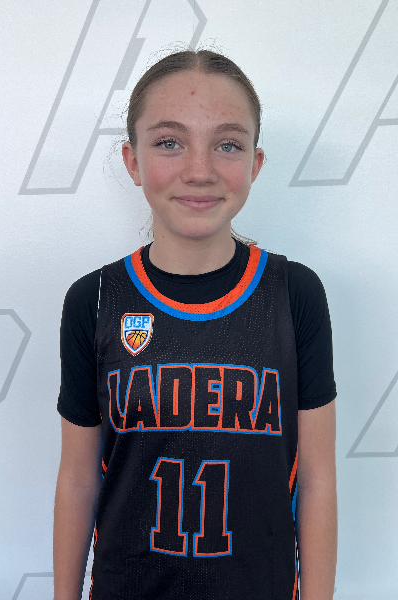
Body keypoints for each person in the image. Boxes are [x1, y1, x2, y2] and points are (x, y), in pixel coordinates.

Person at [54, 49, 337, 600]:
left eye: (227, 144)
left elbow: (317, 479)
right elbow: (79, 478)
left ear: (255, 164)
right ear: (132, 161)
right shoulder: (94, 300)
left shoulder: (295, 295)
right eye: (169, 142)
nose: (200, 170)